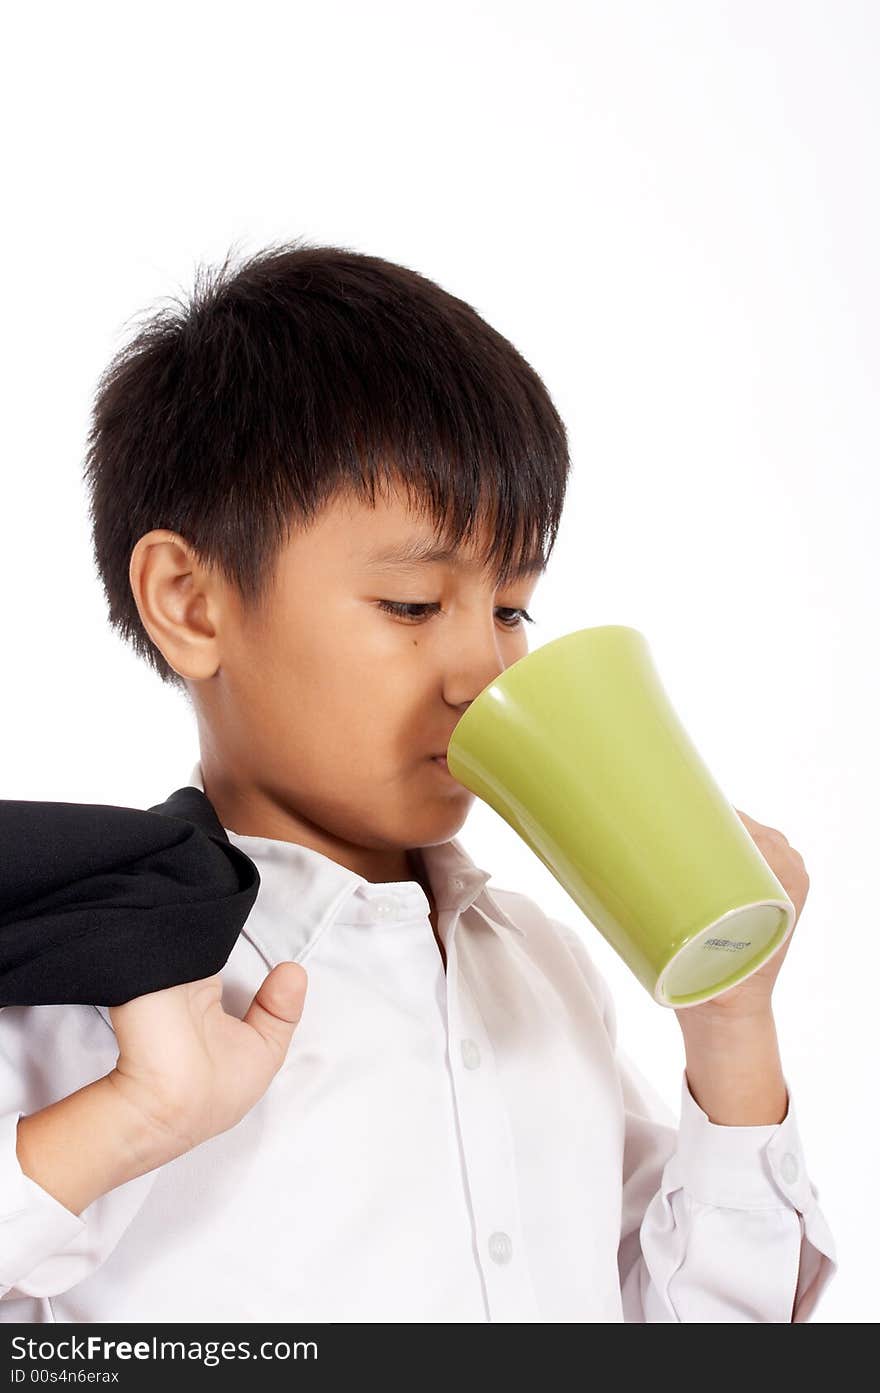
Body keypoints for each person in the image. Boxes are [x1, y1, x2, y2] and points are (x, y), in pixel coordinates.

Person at [0, 241, 837, 1322]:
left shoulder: (541, 964)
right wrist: (130, 1116)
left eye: (510, 608)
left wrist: (729, 1028)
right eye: (409, 604)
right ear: (191, 602)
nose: (482, 672)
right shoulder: (110, 977)